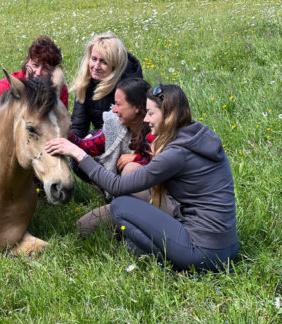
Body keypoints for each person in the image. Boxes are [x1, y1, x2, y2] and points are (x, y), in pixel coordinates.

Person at [45, 84, 238, 272]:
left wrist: (78, 154)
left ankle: (171, 263)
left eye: (151, 113)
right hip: (227, 248)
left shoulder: (177, 153)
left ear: (169, 115)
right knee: (132, 244)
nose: (146, 119)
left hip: (202, 252)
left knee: (121, 205)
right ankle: (154, 252)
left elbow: (116, 186)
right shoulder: (197, 135)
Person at [69, 78, 155, 237]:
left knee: (131, 170)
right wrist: (68, 136)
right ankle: (124, 221)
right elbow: (89, 146)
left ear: (137, 108)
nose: (114, 110)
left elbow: (163, 164)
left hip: (156, 202)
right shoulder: (115, 125)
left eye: (119, 104)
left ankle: (138, 230)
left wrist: (137, 159)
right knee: (83, 227)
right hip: (123, 198)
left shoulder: (156, 130)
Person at [0, 35, 69, 127]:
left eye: (45, 69)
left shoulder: (59, 90)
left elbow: (61, 120)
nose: (38, 72)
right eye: (35, 65)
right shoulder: (13, 82)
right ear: (27, 62)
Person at [70, 32, 143, 138]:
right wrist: (72, 145)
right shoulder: (86, 82)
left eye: (104, 62)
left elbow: (123, 130)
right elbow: (78, 127)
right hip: (100, 140)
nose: (96, 66)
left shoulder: (130, 89)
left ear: (115, 65)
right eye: (94, 59)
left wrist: (92, 135)